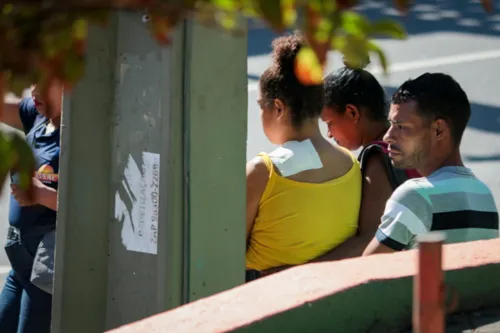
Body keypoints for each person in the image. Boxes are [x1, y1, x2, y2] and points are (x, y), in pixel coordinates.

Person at [245, 34, 362, 281]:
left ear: (278, 107)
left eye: (260, 105)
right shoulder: (350, 163)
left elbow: (225, 252)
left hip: (264, 297)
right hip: (330, 291)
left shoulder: (262, 172)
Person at [363, 73, 499, 255]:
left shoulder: (415, 196)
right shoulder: (483, 194)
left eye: (401, 126)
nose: (388, 136)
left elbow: (367, 271)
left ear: (439, 130)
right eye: (391, 124)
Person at [0, 82, 62, 332]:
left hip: (44, 267)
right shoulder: (37, 114)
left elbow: (89, 208)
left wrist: (41, 194)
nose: (34, 92)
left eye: (45, 84)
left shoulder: (79, 136)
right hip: (20, 262)